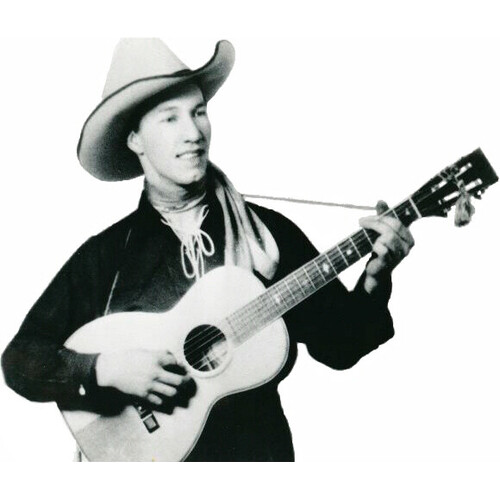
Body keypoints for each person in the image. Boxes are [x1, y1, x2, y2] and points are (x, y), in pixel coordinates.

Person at [1, 38, 414, 461]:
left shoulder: (266, 234)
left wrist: (377, 275)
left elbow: (341, 347)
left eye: (199, 112)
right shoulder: (105, 257)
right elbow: (19, 361)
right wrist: (104, 369)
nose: (193, 132)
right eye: (170, 118)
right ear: (135, 139)